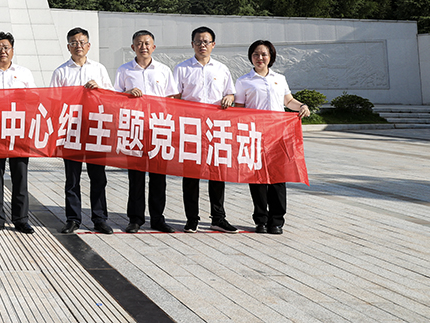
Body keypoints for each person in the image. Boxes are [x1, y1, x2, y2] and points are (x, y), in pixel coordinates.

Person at [234, 39, 310, 234]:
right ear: (251, 57)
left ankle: (276, 220)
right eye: (256, 54)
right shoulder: (244, 81)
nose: (260, 58)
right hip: (254, 136)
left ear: (271, 57)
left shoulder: (279, 78)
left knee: (278, 179)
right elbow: (239, 109)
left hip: (278, 136)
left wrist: (301, 106)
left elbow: (288, 101)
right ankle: (260, 219)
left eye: (264, 54)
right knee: (257, 179)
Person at [173, 26, 238, 233]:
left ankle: (218, 217)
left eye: (206, 41)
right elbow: (174, 98)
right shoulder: (182, 68)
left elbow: (232, 95)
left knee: (217, 174)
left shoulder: (222, 69)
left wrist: (230, 97)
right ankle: (192, 218)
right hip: (191, 128)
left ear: (213, 45)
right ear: (192, 44)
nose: (202, 45)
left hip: (216, 128)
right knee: (191, 176)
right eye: (198, 41)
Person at [50, 27, 114, 235]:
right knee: (73, 178)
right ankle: (73, 219)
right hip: (72, 130)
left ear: (89, 45)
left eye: (82, 42)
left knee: (98, 177)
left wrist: (99, 90)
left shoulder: (99, 69)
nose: (78, 46)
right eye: (74, 42)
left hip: (96, 128)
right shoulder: (61, 71)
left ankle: (100, 218)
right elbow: (54, 102)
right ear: (68, 46)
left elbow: (112, 97)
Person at [115, 30, 179, 233]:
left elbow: (173, 99)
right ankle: (135, 219)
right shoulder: (124, 70)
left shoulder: (163, 70)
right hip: (135, 129)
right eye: (139, 43)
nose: (143, 47)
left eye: (147, 43)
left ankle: (158, 218)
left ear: (154, 47)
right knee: (136, 177)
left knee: (158, 177)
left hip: (159, 128)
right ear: (133, 47)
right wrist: (127, 95)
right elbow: (115, 98)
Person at [0, 31, 37, 235]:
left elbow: (34, 100)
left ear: (12, 50)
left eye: (6, 47)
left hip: (19, 131)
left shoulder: (25, 73)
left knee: (20, 175)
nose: (2, 51)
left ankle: (21, 219)